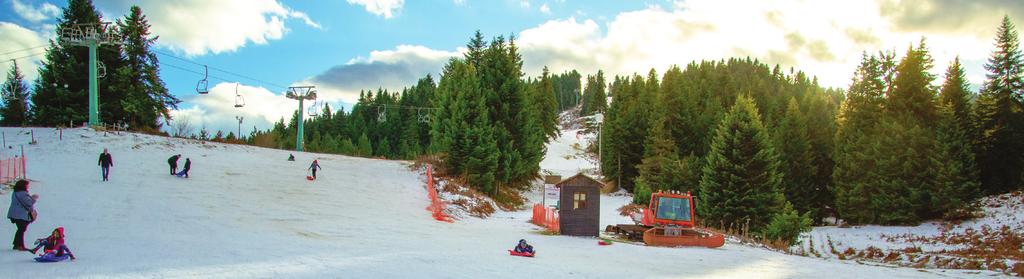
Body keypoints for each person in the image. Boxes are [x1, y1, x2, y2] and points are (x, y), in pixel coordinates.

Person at [7, 180, 37, 251]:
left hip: (14, 214)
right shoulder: (22, 193)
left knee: (20, 229)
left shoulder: (15, 192)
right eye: (27, 185)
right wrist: (33, 198)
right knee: (21, 229)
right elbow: (28, 203)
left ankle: (17, 244)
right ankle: (19, 245)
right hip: (20, 215)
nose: (28, 186)